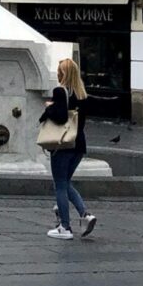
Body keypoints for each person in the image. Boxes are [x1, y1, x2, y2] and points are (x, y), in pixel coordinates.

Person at [44, 56, 96, 240]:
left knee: (59, 184)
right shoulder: (82, 94)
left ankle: (64, 227)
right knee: (65, 182)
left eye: (59, 71)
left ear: (63, 73)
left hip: (63, 144)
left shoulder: (60, 91)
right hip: (79, 144)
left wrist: (48, 108)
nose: (57, 75)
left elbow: (59, 117)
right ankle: (85, 214)